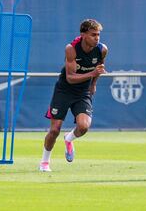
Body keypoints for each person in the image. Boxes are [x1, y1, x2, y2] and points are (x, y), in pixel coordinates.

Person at [39, 19, 108, 172]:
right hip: (64, 90)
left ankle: (69, 139)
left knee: (83, 127)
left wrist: (94, 83)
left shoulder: (102, 49)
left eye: (98, 35)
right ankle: (44, 162)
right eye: (93, 35)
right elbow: (70, 77)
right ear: (83, 35)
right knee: (54, 130)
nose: (97, 38)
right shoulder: (71, 49)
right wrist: (92, 74)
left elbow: (100, 67)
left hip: (82, 92)